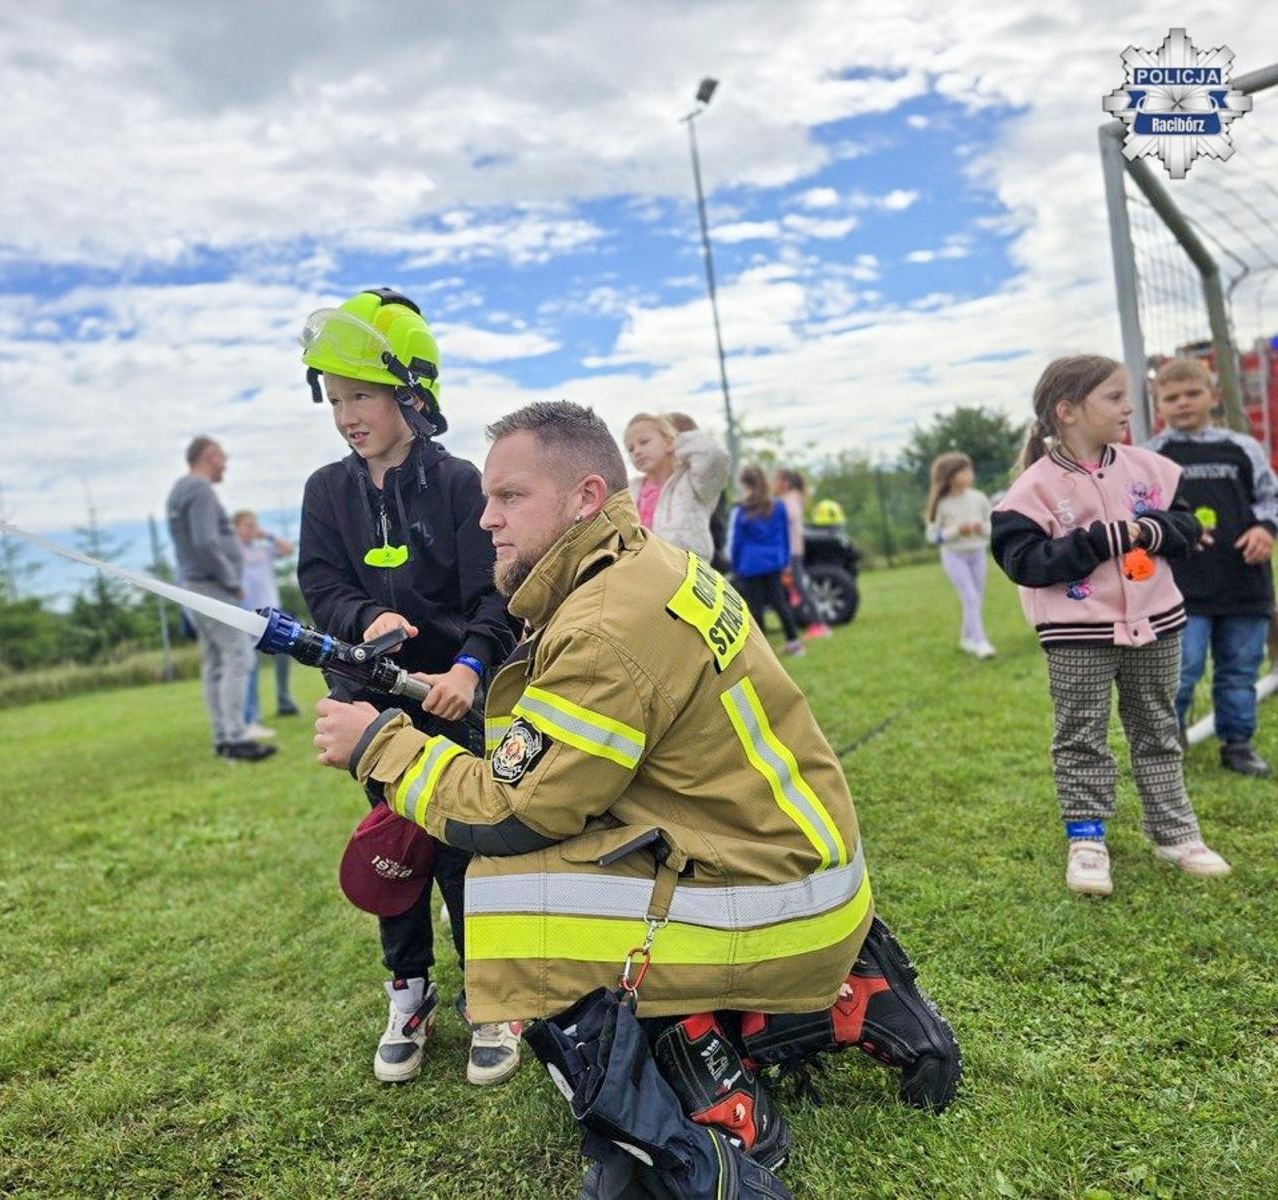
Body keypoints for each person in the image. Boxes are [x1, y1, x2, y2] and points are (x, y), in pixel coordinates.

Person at [314, 401, 960, 1190]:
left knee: (515, 890)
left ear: (585, 498)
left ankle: (704, 1100)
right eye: (487, 498)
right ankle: (835, 996)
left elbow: (516, 809)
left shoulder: (604, 624)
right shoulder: (642, 564)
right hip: (800, 873)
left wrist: (379, 743)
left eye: (510, 496)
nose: (486, 519)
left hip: (775, 895)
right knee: (581, 849)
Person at [296, 287, 519, 1088]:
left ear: (412, 394)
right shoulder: (327, 492)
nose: (346, 415)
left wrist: (467, 669)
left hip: (451, 699)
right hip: (371, 702)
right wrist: (366, 619)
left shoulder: (460, 483)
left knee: (462, 846)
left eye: (360, 395)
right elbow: (321, 586)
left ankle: (491, 999)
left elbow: (494, 594)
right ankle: (409, 991)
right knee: (397, 846)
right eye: (335, 399)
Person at [990, 355, 1231, 897]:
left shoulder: (1151, 469)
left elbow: (1186, 525)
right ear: (1067, 410)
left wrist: (1149, 530)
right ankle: (1086, 839)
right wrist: (1097, 541)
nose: (1129, 408)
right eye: (1115, 397)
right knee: (1081, 738)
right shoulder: (1031, 490)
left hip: (1157, 625)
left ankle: (1175, 834)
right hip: (1077, 636)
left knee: (1157, 730)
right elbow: (1023, 562)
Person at [1146, 358, 1275, 778]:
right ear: (1157, 406)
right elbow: (1140, 512)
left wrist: (1265, 529)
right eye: (1171, 397)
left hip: (1244, 582)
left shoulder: (1243, 448)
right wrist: (1171, 532)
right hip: (1180, 589)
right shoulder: (1151, 456)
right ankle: (1168, 744)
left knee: (1240, 669)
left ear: (1213, 396)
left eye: (1192, 393)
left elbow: (1269, 498)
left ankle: (1237, 743)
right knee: (1180, 670)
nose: (1183, 403)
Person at [166, 437, 273, 762]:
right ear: (210, 456)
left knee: (215, 662)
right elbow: (205, 542)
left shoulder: (179, 490)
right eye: (223, 458)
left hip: (193, 585)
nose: (225, 465)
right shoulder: (200, 489)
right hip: (211, 586)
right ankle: (236, 737)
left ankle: (222, 738)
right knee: (239, 655)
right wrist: (230, 579)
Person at [624, 412, 730, 559]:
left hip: (687, 568)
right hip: (645, 569)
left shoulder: (691, 482)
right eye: (630, 449)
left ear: (669, 442)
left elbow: (714, 456)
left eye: (644, 442)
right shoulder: (630, 489)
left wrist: (677, 442)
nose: (637, 451)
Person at [924, 452, 996, 659]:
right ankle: (980, 642)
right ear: (950, 476)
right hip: (954, 556)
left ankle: (966, 638)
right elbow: (933, 536)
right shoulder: (941, 504)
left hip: (978, 553)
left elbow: (993, 527)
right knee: (970, 596)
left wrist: (980, 528)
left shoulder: (979, 498)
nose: (969, 474)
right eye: (963, 471)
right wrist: (956, 531)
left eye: (969, 470)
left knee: (975, 599)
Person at [232, 510, 298, 735]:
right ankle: (250, 718)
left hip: (272, 616)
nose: (252, 529)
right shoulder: (233, 553)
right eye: (247, 525)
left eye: (254, 525)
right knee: (249, 666)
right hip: (247, 615)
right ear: (236, 528)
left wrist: (267, 535)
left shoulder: (262, 550)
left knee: (283, 656)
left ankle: (284, 701)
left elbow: (288, 549)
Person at [730, 465, 804, 656]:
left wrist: (735, 565)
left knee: (755, 607)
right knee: (780, 602)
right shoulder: (778, 506)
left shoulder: (742, 509)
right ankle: (794, 642)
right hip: (773, 561)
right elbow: (785, 535)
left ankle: (761, 653)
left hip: (750, 563)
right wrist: (784, 560)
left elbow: (737, 541)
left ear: (745, 484)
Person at [772, 468, 833, 639]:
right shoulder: (792, 498)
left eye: (776, 480)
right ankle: (797, 598)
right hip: (794, 550)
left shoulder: (788, 501)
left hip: (792, 552)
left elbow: (787, 525)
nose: (773, 484)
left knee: (802, 587)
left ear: (785, 483)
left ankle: (819, 624)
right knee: (800, 585)